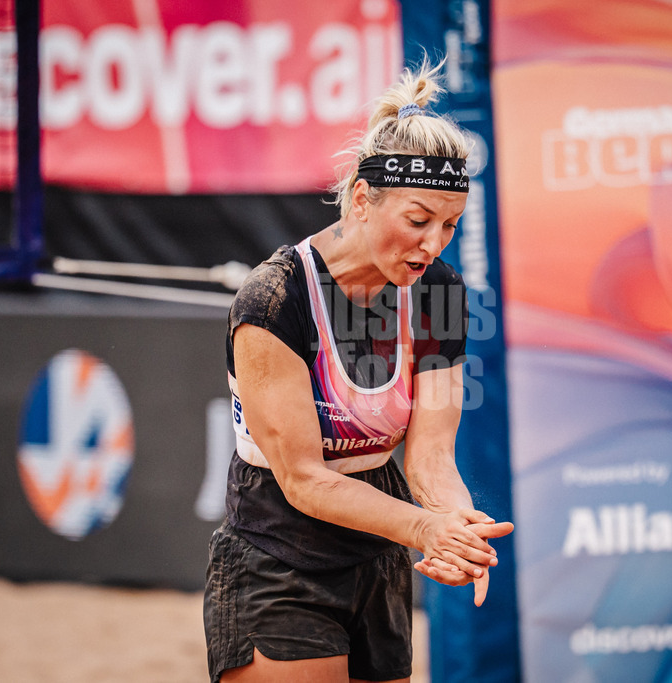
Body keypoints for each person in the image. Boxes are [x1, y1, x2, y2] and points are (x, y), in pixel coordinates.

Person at [204, 59, 514, 683]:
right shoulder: (274, 300)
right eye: (419, 220)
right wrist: (427, 528)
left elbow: (430, 457)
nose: (433, 244)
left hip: (377, 553)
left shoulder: (437, 291)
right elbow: (304, 480)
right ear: (363, 198)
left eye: (450, 226)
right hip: (276, 550)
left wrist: (458, 526)